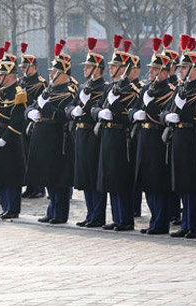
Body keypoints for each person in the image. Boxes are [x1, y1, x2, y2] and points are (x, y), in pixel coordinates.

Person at [25, 42, 76, 224]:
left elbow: (62, 115)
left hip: (56, 137)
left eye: (55, 72)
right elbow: (32, 105)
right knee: (47, 176)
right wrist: (30, 112)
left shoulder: (68, 93)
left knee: (58, 178)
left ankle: (60, 213)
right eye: (51, 72)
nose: (51, 74)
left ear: (64, 75)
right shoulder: (49, 90)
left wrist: (46, 107)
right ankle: (52, 209)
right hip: (42, 136)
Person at [94, 36, 141, 231]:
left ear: (125, 69)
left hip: (122, 138)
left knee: (121, 180)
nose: (111, 69)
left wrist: (112, 106)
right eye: (112, 66)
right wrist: (99, 113)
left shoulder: (132, 89)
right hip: (107, 135)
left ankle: (126, 219)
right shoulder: (110, 88)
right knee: (110, 179)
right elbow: (96, 108)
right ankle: (116, 217)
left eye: (116, 66)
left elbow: (128, 114)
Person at [165, 38, 196, 239]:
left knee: (192, 185)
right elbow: (166, 110)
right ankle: (185, 223)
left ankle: (195, 225)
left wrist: (184, 111)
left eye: (184, 67)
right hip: (178, 137)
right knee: (182, 184)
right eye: (180, 67)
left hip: (193, 139)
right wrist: (166, 116)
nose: (180, 71)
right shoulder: (180, 88)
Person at [131, 40, 174, 234]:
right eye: (151, 69)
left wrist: (148, 106)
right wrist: (135, 114)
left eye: (156, 70)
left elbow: (163, 116)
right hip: (144, 138)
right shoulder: (147, 90)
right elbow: (134, 109)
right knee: (147, 182)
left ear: (165, 73)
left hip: (158, 140)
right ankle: (154, 220)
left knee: (158, 184)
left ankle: (160, 222)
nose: (151, 73)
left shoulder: (169, 92)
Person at [68, 37, 108, 228]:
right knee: (84, 176)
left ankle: (97, 215)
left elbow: (97, 110)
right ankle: (90, 213)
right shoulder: (83, 87)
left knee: (94, 176)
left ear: (97, 69)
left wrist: (85, 104)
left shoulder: (104, 88)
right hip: (81, 134)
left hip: (94, 135)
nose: (84, 69)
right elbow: (70, 106)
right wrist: (72, 111)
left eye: (88, 67)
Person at [0, 55, 28, 219]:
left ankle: (13, 208)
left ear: (10, 76)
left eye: (1, 75)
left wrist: (5, 137)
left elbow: (18, 120)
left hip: (10, 138)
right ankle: (5, 206)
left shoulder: (19, 93)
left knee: (11, 176)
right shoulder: (0, 92)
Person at [19, 48, 48, 200]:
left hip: (35, 123)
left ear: (34, 67)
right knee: (27, 157)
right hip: (24, 121)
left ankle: (39, 188)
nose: (23, 70)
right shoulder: (22, 82)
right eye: (22, 67)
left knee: (36, 156)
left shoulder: (40, 84)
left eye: (25, 67)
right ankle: (30, 186)